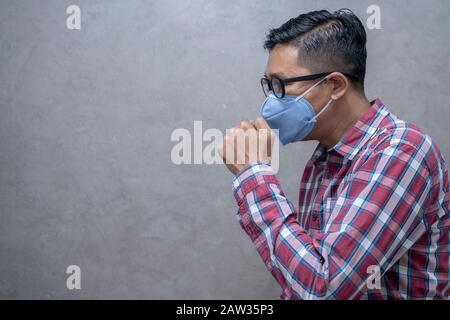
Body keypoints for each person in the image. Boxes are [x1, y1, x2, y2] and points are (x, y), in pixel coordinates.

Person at [218, 9, 449, 299]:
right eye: (268, 85)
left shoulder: (400, 152)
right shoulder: (325, 159)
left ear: (335, 85)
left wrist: (254, 175)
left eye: (280, 85)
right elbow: (302, 279)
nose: (270, 102)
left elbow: (322, 288)